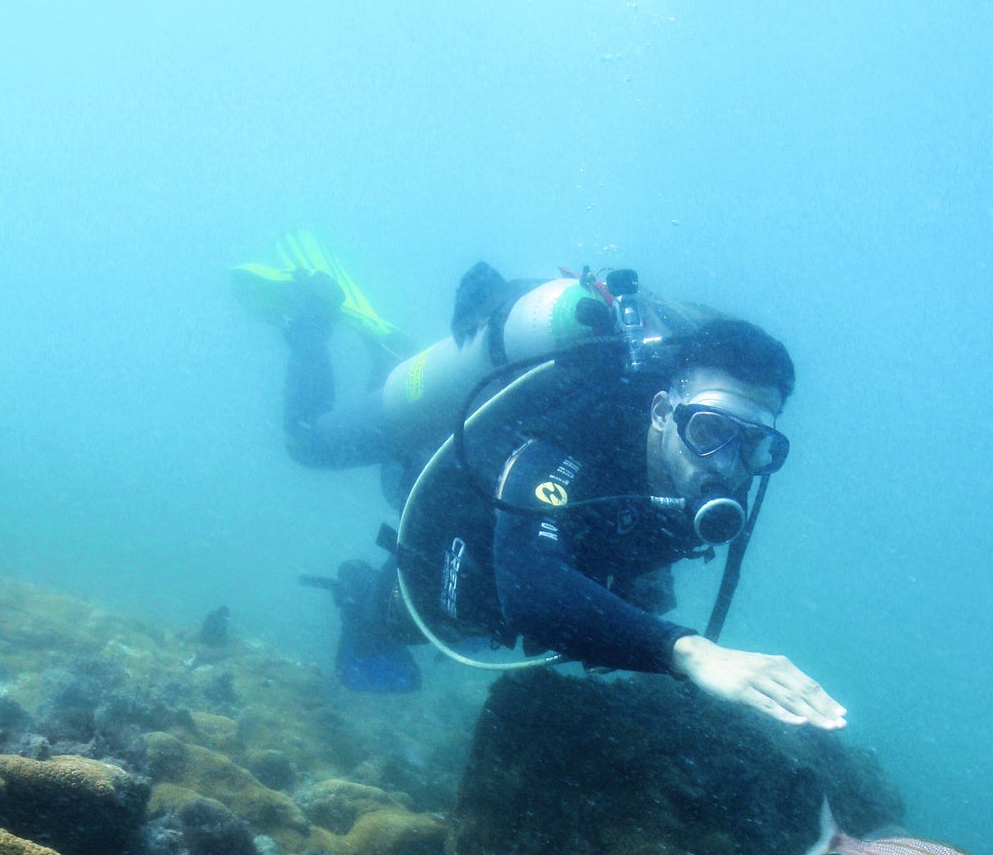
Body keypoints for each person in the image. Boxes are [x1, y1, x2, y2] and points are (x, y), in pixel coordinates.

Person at [234, 239, 845, 731]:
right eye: (709, 428)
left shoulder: (716, 474)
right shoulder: (582, 424)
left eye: (755, 443)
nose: (726, 463)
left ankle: (389, 351)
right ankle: (311, 320)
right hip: (446, 462)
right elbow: (531, 588)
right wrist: (690, 652)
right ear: (662, 410)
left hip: (520, 485)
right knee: (310, 443)